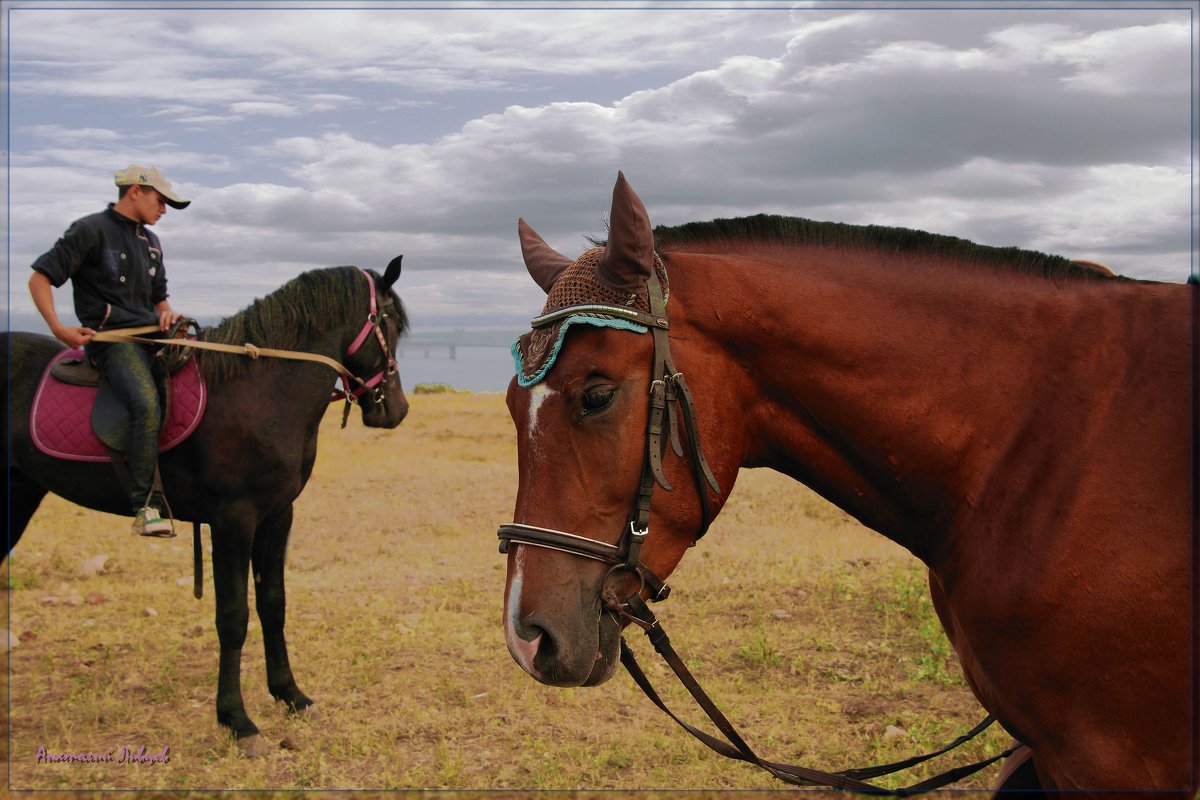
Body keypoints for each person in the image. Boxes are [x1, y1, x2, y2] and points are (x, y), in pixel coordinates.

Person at [28, 165, 192, 536]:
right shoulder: (89, 230)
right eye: (160, 199)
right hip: (112, 343)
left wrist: (169, 315)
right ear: (135, 190)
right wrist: (58, 328)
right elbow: (40, 278)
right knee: (145, 403)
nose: (164, 209)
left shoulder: (151, 241)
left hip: (154, 337)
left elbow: (159, 299)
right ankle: (146, 505)